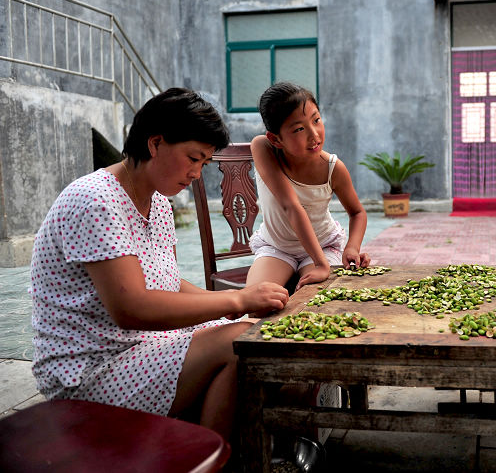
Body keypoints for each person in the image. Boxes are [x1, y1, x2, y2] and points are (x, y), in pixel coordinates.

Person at [30, 88, 291, 439]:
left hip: (145, 348)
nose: (197, 174)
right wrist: (237, 300)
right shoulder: (95, 201)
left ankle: (229, 447)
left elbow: (167, 281)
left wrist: (227, 309)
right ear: (155, 143)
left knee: (252, 336)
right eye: (193, 158)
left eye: (204, 164)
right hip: (91, 372)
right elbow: (132, 308)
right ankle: (210, 459)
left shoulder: (157, 203)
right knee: (236, 344)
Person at [246, 81, 370, 291]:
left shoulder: (333, 168)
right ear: (276, 139)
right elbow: (292, 206)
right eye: (299, 129)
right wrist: (322, 266)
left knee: (316, 301)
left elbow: (357, 212)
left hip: (322, 246)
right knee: (258, 301)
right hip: (277, 247)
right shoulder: (263, 147)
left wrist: (352, 247)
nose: (314, 134)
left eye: (317, 120)